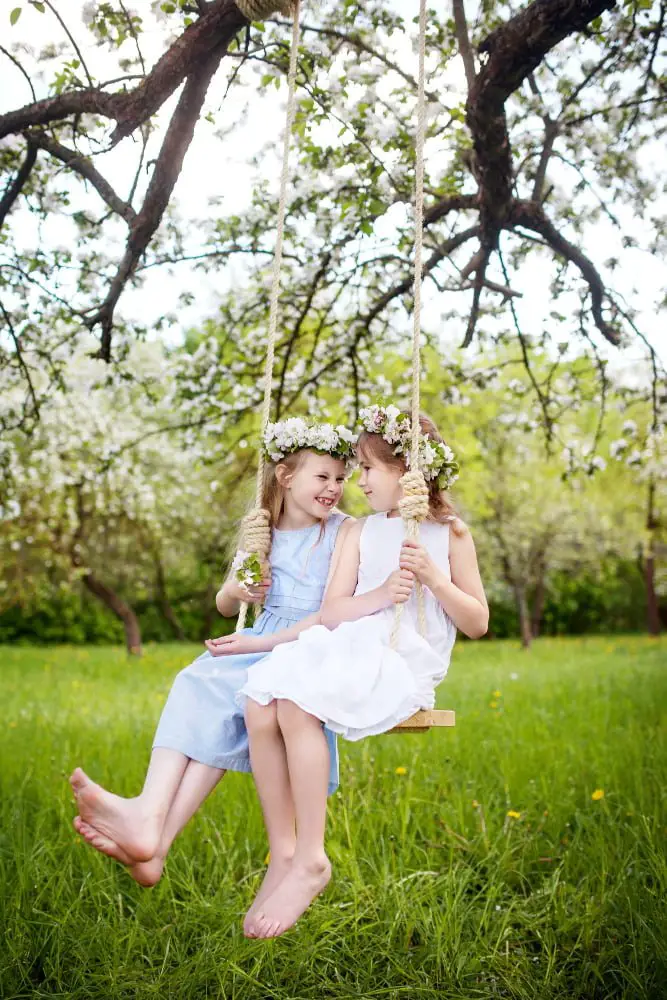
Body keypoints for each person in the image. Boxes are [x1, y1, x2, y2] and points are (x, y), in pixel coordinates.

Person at [69, 419, 356, 922]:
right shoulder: (260, 530)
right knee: (197, 681)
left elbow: (331, 614)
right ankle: (151, 828)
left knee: (232, 702)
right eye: (323, 477)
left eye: (340, 478)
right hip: (258, 637)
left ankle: (151, 829)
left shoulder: (341, 533)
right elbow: (226, 603)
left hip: (302, 646)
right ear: (286, 476)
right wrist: (240, 591)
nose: (333, 488)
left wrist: (256, 637)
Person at [239, 405, 488, 938]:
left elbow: (478, 622)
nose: (360, 480)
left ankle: (311, 856)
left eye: (369, 469)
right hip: (351, 640)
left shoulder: (449, 534)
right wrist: (377, 595)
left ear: (407, 470)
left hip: (403, 658)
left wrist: (433, 581)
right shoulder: (361, 532)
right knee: (260, 700)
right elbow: (331, 612)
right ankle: (283, 851)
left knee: (294, 702)